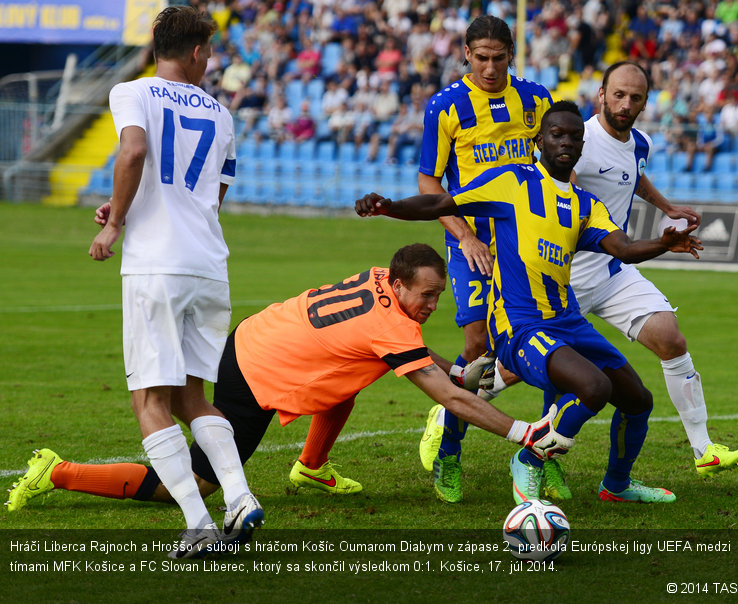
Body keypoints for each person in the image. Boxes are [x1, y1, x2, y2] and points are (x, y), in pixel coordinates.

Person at [5, 245, 570, 515]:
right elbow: (447, 397)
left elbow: (397, 349)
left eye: (438, 296)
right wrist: (523, 431)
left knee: (355, 373)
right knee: (196, 483)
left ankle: (312, 467)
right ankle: (57, 472)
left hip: (258, 336)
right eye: (426, 295)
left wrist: (448, 365)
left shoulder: (379, 282)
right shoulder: (392, 323)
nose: (432, 304)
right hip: (257, 374)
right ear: (397, 285)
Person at [356, 101, 703, 505]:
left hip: (567, 321)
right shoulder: (511, 182)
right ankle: (524, 459)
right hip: (519, 326)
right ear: (538, 140)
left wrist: (662, 244)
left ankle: (616, 485)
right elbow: (442, 203)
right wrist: (391, 208)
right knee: (592, 386)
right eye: (558, 134)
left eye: (576, 136)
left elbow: (623, 249)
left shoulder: (585, 204)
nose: (567, 142)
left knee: (638, 401)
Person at [84, 6, 263, 559]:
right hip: (208, 263)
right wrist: (128, 205)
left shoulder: (131, 92)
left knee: (149, 399)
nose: (209, 61)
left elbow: (135, 150)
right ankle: (238, 495)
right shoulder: (222, 114)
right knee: (192, 396)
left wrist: (117, 223)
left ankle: (199, 524)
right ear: (192, 51)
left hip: (155, 265)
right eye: (208, 51)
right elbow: (211, 197)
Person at [569, 61, 738, 487]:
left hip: (611, 272)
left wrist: (666, 207)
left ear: (646, 102)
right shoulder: (578, 140)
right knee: (510, 368)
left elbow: (633, 177)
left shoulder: (641, 143)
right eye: (618, 95)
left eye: (635, 98)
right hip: (564, 278)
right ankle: (450, 412)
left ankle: (704, 449)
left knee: (671, 338)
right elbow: (561, 192)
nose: (626, 104)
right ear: (601, 94)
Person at [416, 15, 553, 503]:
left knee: (551, 346)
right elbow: (430, 183)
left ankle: (544, 457)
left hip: (526, 244)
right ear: (466, 55)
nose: (490, 67)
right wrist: (466, 237)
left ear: (511, 54)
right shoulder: (446, 106)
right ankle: (449, 451)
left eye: (499, 58)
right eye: (481, 58)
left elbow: (553, 162)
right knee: (476, 352)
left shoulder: (537, 98)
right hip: (471, 245)